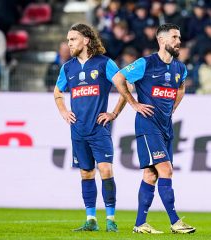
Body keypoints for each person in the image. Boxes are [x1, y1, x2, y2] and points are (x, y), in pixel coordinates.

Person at [112, 23, 196, 234]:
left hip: (166, 126)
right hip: (148, 126)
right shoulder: (146, 63)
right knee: (166, 169)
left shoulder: (180, 68)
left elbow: (181, 86)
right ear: (162, 40)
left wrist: (173, 107)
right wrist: (134, 103)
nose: (179, 41)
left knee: (151, 174)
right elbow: (118, 78)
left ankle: (140, 224)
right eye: (175, 37)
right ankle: (175, 222)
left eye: (179, 37)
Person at [53, 23, 127, 232]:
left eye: (73, 39)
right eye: (68, 40)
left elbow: (125, 88)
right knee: (86, 173)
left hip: (99, 128)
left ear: (86, 40)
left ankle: (111, 219)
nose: (69, 44)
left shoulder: (104, 64)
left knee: (105, 169)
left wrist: (113, 113)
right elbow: (58, 93)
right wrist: (63, 111)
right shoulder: (68, 67)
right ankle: (91, 220)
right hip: (77, 129)